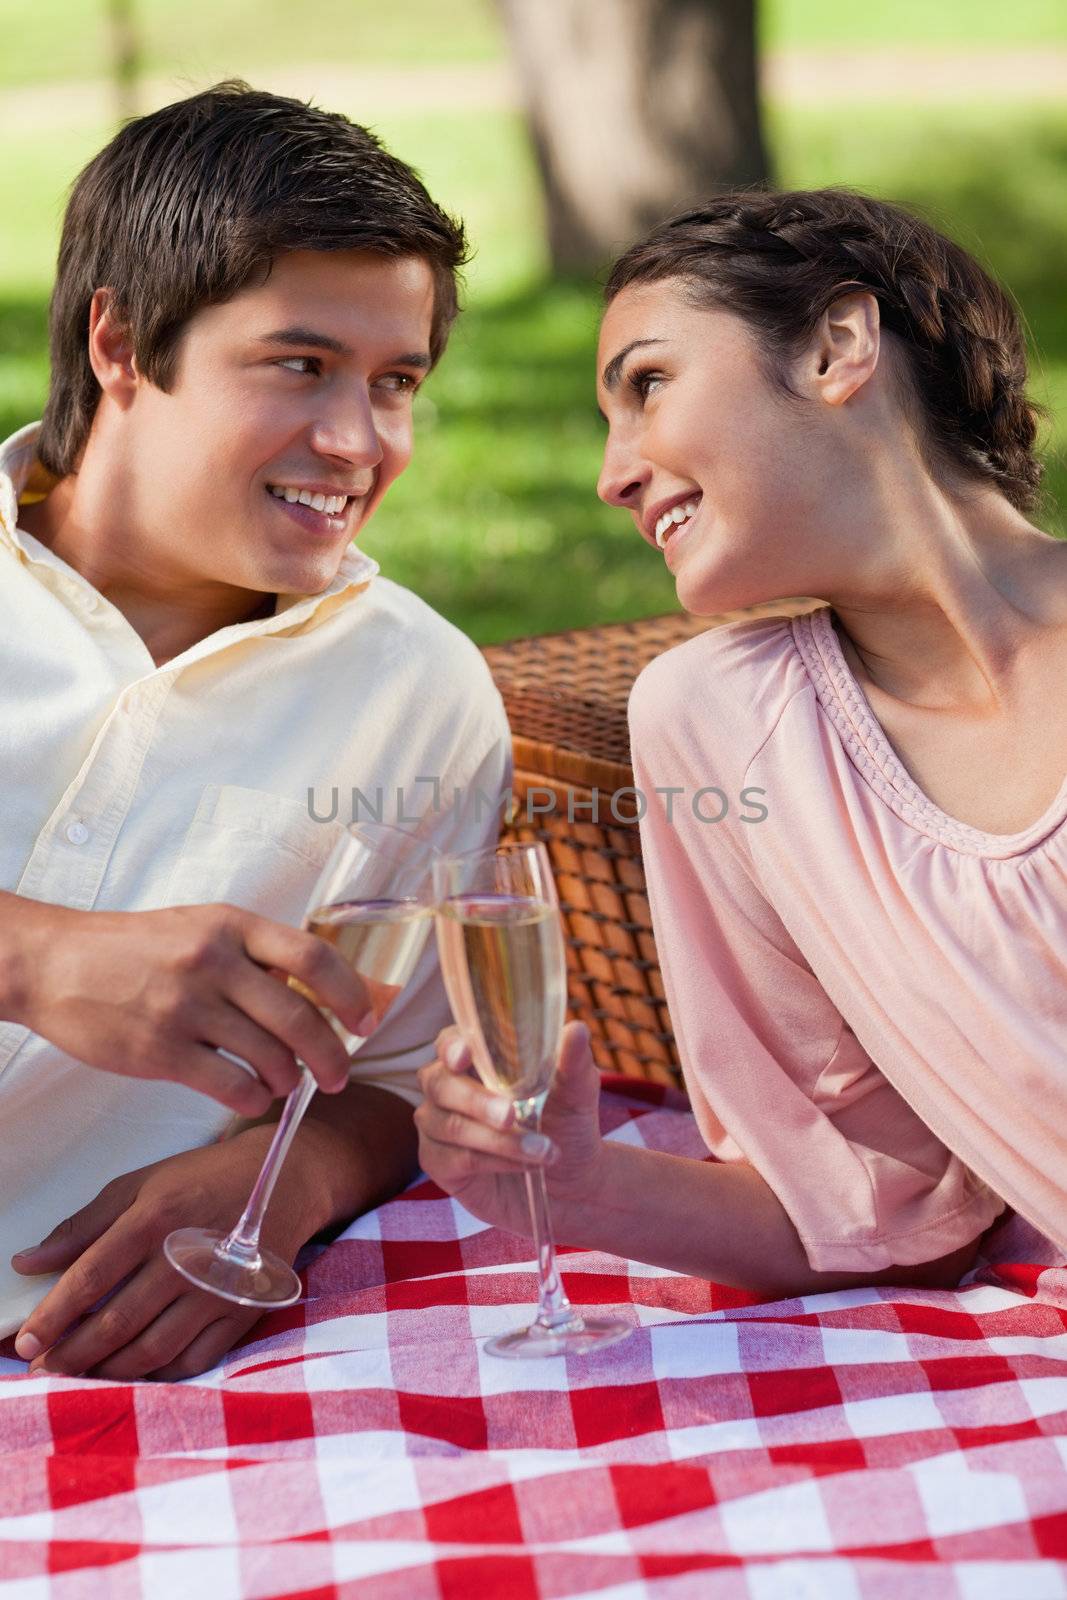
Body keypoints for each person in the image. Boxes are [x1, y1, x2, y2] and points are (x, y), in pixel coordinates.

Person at [415, 188, 1067, 1295]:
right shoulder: (722, 727)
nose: (611, 475)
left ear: (835, 346)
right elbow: (879, 1205)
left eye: (648, 385)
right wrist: (570, 1184)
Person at [0, 83, 510, 1377]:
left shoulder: (420, 696)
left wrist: (291, 1184)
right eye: (299, 365)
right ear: (121, 342)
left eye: (396, 381)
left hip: (78, 1367)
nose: (356, 442)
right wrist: (32, 957)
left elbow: (405, 1074)